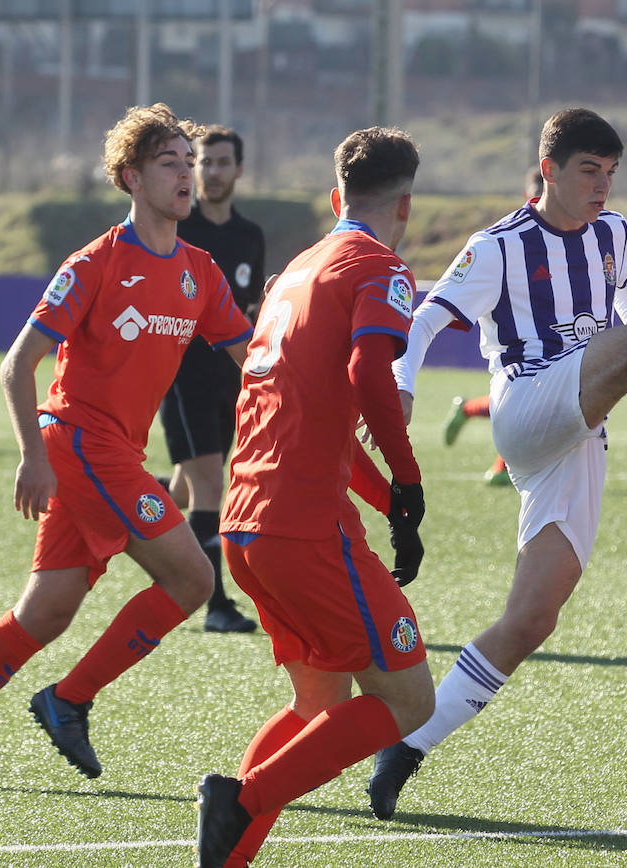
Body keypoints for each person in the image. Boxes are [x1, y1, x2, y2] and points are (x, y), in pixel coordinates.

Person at [366, 107, 627, 819]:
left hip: (577, 431)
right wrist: (399, 389)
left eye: (610, 173)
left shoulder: (614, 234)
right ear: (547, 170)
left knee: (532, 619)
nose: (602, 186)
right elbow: (424, 319)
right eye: (588, 171)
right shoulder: (499, 246)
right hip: (524, 403)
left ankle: (407, 747)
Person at [0, 103, 253, 786]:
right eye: (169, 163)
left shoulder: (199, 271)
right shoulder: (95, 263)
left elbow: (250, 358)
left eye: (188, 161)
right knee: (194, 578)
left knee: (46, 613)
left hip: (108, 455)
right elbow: (16, 363)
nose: (186, 174)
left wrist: (313, 383)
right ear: (132, 179)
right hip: (81, 447)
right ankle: (68, 700)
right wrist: (32, 455)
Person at [193, 127, 434, 868]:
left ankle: (224, 858)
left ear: (337, 198)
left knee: (318, 703)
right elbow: (369, 374)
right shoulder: (380, 268)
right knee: (408, 702)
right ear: (407, 206)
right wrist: (409, 480)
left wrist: (386, 497)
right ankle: (240, 803)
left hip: (244, 523)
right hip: (304, 529)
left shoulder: (295, 271)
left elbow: (315, 419)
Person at [158, 124, 266, 633]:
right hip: (183, 377)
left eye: (223, 162)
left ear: (239, 169)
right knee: (208, 484)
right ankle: (216, 605)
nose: (213, 171)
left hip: (231, 381)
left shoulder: (249, 236)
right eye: (205, 162)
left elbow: (252, 313)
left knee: (181, 490)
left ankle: (110, 498)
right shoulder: (179, 230)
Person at [441, 165, 544, 487]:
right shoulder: (508, 237)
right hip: (517, 335)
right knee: (525, 399)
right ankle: (502, 462)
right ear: (527, 196)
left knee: (537, 402)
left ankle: (473, 418)